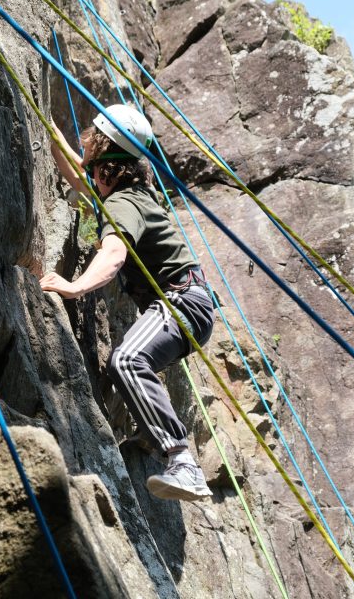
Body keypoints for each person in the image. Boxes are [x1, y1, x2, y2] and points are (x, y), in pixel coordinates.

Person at [40, 104, 215, 501]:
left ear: (106, 165)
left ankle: (182, 461)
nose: (87, 166)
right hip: (190, 302)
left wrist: (74, 286)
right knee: (136, 363)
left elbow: (114, 254)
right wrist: (48, 125)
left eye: (92, 156)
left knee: (128, 360)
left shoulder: (124, 205)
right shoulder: (130, 194)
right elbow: (80, 174)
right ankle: (158, 439)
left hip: (182, 302)